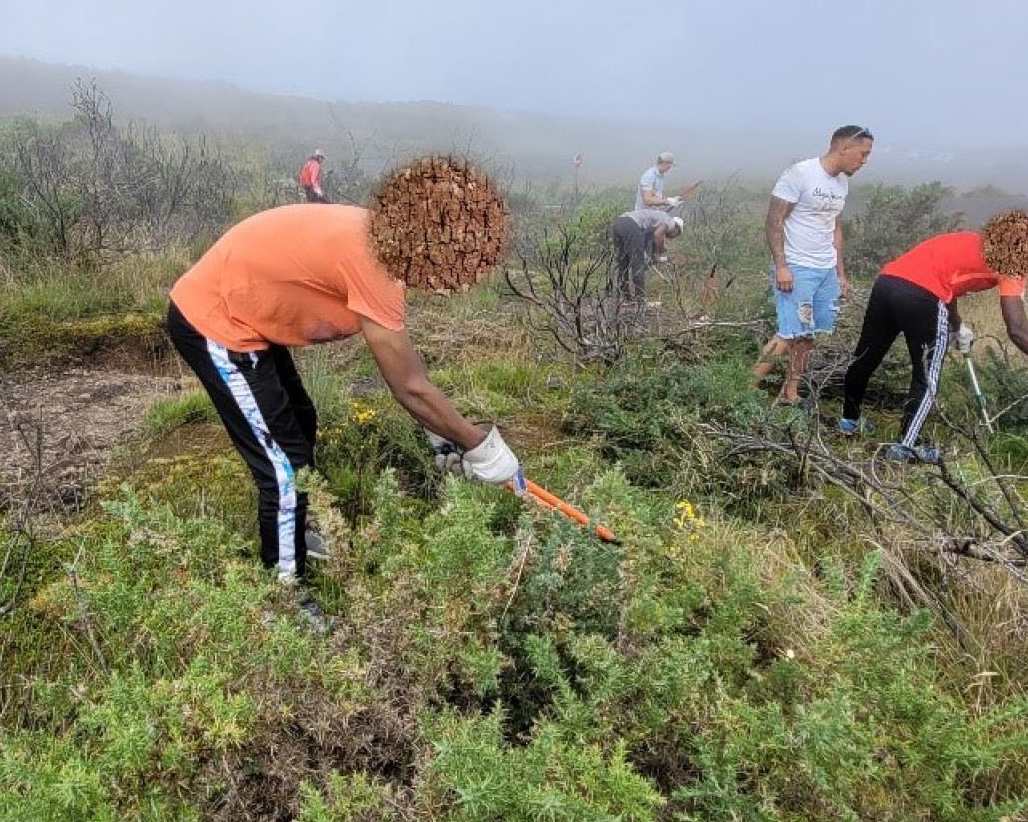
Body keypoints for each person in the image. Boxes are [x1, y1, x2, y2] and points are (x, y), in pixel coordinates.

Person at [166, 160, 525, 607]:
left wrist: (444, 432)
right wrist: (481, 447)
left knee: (301, 420)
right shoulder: (377, 260)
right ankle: (286, 598)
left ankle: (294, 531)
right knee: (282, 470)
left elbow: (405, 369)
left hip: (248, 311)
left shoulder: (384, 242)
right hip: (215, 321)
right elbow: (408, 386)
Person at [838, 210, 1028, 462]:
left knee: (865, 357)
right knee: (927, 376)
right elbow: (1017, 327)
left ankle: (849, 422)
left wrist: (956, 326)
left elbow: (946, 281)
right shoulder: (1013, 267)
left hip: (887, 283)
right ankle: (905, 448)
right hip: (923, 299)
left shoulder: (971, 240)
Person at [763, 125, 875, 405]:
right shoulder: (800, 174)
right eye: (862, 154)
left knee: (808, 335)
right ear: (843, 147)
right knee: (788, 334)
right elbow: (774, 221)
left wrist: (840, 273)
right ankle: (740, 388)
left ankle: (790, 392)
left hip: (825, 270)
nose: (864, 161)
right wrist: (781, 266)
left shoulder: (841, 184)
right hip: (796, 267)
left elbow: (835, 228)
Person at [612, 207, 683, 305]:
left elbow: (646, 239)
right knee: (638, 265)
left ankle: (625, 298)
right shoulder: (669, 222)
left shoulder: (659, 218)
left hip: (618, 223)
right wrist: (660, 252)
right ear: (676, 229)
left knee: (623, 263)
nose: (672, 237)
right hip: (631, 225)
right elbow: (658, 235)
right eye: (675, 235)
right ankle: (641, 301)